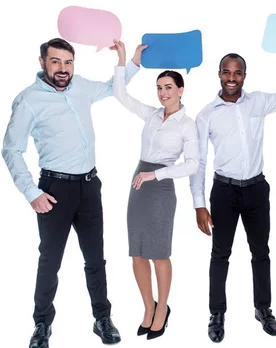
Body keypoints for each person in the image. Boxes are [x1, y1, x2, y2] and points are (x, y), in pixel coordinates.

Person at [1, 37, 142, 348]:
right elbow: (11, 149)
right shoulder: (28, 100)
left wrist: (128, 62)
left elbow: (110, 88)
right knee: (50, 260)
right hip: (55, 190)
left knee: (95, 258)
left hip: (90, 187)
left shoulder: (80, 86)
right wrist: (31, 193)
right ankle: (41, 325)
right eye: (55, 62)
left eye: (68, 62)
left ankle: (102, 318)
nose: (63, 69)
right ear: (42, 63)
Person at [190, 38, 276, 343]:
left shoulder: (258, 102)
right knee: (220, 253)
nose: (231, 77)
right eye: (226, 72)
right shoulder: (206, 115)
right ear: (218, 74)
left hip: (256, 189)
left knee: (261, 252)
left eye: (237, 72)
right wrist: (199, 204)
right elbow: (199, 162)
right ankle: (217, 314)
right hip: (224, 192)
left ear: (244, 75)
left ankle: (263, 308)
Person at [109, 40, 199, 340]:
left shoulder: (187, 125)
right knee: (137, 253)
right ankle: (148, 307)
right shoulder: (150, 114)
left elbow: (193, 165)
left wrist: (156, 174)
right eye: (159, 87)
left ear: (181, 90)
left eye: (169, 87)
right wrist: (126, 59)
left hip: (160, 187)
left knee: (158, 253)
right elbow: (120, 93)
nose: (163, 92)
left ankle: (163, 309)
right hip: (139, 183)